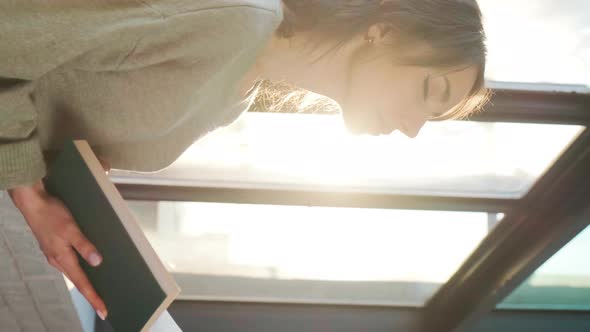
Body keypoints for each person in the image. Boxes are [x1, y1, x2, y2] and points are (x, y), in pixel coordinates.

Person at [0, 0, 489, 322]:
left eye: (432, 119)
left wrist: (69, 182)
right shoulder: (235, 16)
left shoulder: (235, 99)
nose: (411, 127)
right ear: (384, 31)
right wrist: (30, 191)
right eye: (430, 91)